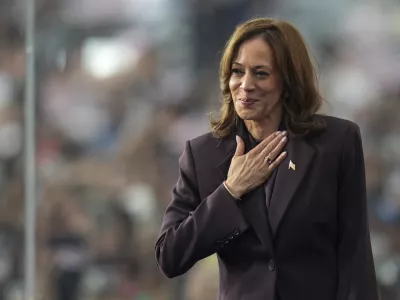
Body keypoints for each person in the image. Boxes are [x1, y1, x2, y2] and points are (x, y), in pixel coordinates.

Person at [155, 17, 379, 300]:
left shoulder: (337, 143)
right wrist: (230, 191)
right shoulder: (202, 155)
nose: (245, 85)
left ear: (288, 80)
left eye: (260, 73)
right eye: (237, 71)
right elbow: (169, 256)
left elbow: (355, 254)